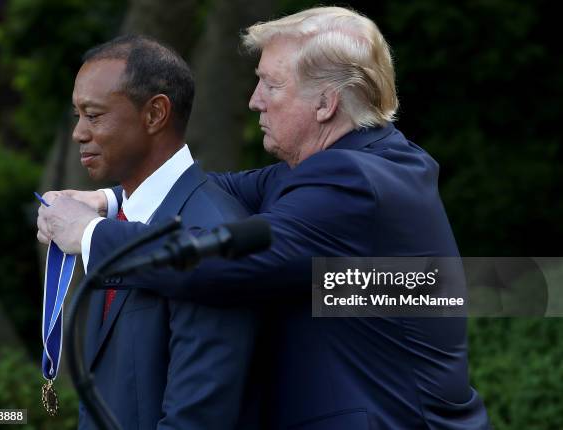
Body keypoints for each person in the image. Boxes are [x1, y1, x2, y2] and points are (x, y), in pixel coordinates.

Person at [39, 7, 490, 429]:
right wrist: (109, 199)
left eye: (270, 85)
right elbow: (226, 186)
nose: (255, 101)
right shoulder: (361, 162)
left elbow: (223, 265)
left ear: (325, 104)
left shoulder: (352, 184)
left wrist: (89, 234)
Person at [37, 35, 256, 429]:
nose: (79, 133)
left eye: (94, 115)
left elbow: (197, 421)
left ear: (155, 114)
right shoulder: (123, 223)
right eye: (77, 116)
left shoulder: (210, 233)